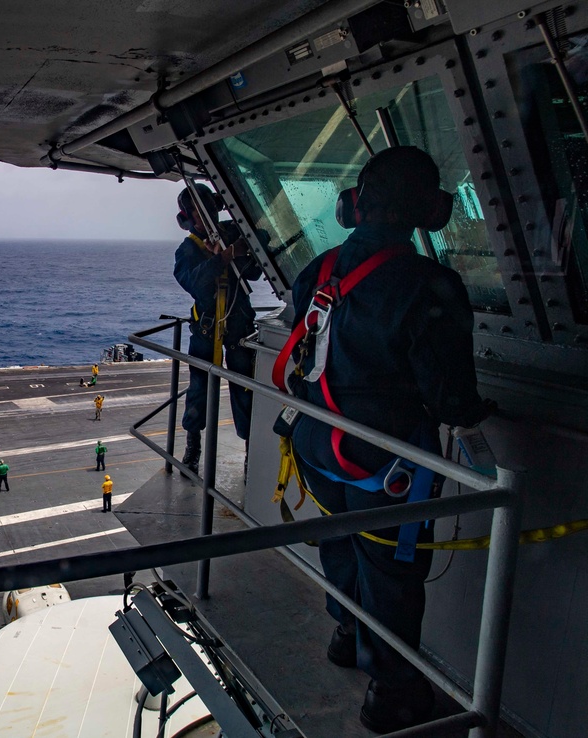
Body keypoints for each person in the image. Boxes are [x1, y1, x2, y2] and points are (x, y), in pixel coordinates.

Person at [280, 146, 489, 733]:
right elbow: (450, 397)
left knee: (339, 542)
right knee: (392, 571)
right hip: (383, 459)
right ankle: (390, 694)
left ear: (357, 206)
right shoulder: (430, 285)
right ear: (426, 209)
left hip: (320, 444)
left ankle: (346, 633)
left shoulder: (318, 271)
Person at [174, 183, 263, 474]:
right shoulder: (187, 250)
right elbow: (194, 284)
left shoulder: (232, 235)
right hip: (206, 329)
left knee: (245, 387)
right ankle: (193, 448)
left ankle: (251, 451)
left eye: (208, 209)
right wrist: (223, 257)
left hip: (237, 324)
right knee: (199, 388)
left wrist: (238, 250)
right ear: (189, 217)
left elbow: (255, 270)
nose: (205, 217)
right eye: (199, 213)